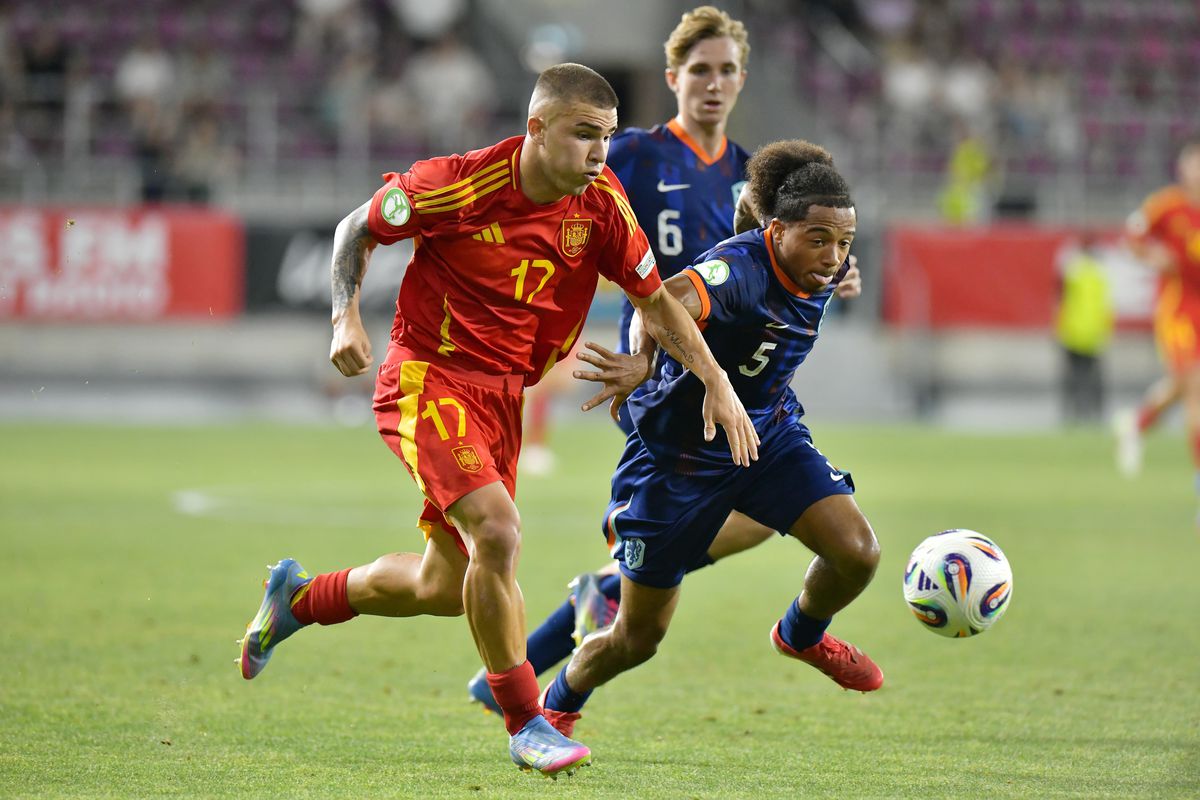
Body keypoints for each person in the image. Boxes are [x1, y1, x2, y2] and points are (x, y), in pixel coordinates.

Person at [235, 62, 759, 778]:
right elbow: (355, 227)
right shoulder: (459, 182)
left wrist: (715, 381)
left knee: (442, 588)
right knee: (499, 531)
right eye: (583, 135)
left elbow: (657, 301)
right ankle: (526, 721)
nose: (600, 154)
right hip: (427, 377)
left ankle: (299, 598)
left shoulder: (602, 204)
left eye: (606, 136)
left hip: (500, 398)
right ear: (536, 130)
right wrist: (344, 317)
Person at [466, 6, 862, 713]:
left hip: (733, 374)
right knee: (696, 488)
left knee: (758, 508)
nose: (714, 84)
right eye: (700, 70)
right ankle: (585, 625)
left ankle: (611, 588)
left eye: (727, 71)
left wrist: (831, 270)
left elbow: (789, 263)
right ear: (673, 76)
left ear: (742, 80)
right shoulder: (638, 155)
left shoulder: (755, 176)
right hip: (654, 365)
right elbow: (568, 207)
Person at [534, 139, 882, 740]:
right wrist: (646, 364)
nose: (833, 256)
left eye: (844, 243)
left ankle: (800, 635)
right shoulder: (739, 269)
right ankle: (558, 701)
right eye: (820, 240)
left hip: (765, 434)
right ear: (777, 232)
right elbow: (656, 305)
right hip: (678, 463)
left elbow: (816, 255)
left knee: (857, 552)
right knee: (637, 639)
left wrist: (831, 261)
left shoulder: (821, 265)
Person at [1116, 135, 1200, 480]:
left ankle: (1137, 423)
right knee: (1195, 383)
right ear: (1182, 169)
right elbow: (1132, 236)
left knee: (1184, 383)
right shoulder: (1167, 205)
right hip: (1179, 308)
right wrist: (1153, 256)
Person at [1055, 232, 1114, 424]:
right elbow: (1106, 304)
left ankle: (1072, 413)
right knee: (1094, 377)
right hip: (1094, 332)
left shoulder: (1073, 269)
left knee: (1073, 376)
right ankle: (1095, 413)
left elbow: (1060, 296)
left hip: (1073, 330)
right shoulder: (1101, 271)